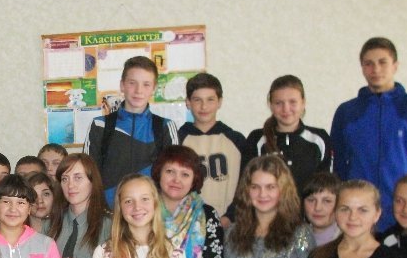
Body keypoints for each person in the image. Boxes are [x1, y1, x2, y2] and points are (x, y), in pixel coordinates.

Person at [330, 37, 407, 229]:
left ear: (395, 66)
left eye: (382, 62)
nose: (375, 69)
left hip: (404, 212)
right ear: (362, 68)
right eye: (369, 64)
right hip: (359, 215)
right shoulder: (347, 112)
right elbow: (338, 165)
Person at [84, 56, 178, 207]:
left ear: (154, 88)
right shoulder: (100, 125)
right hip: (109, 213)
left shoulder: (165, 127)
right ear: (122, 85)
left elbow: (173, 176)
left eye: (146, 84)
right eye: (132, 83)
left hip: (149, 214)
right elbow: (87, 174)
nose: (138, 90)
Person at [177, 72, 246, 226]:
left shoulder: (236, 140)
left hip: (229, 224)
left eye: (210, 99)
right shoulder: (177, 140)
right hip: (188, 224)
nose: (204, 106)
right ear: (188, 102)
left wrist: (230, 217)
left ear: (219, 102)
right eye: (197, 100)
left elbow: (246, 184)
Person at [244, 75, 332, 195]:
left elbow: (328, 187)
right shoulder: (256, 139)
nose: (286, 109)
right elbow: (247, 185)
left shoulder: (319, 139)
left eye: (292, 102)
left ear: (303, 103)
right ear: (270, 105)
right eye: (278, 103)